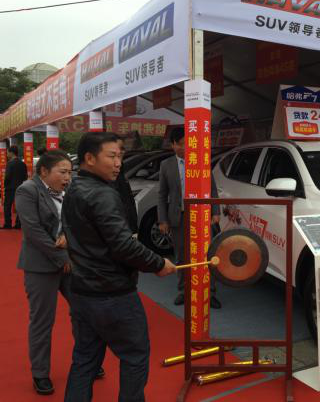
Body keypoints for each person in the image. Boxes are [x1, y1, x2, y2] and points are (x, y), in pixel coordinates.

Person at [62, 132, 176, 402]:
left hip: (82, 290)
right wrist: (159, 263)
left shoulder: (75, 187)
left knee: (84, 359)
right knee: (135, 356)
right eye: (111, 156)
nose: (118, 163)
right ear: (89, 158)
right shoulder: (102, 194)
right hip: (112, 293)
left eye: (120, 156)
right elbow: (123, 245)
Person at [15, 150, 72, 395]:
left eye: (70, 172)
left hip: (70, 263)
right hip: (41, 266)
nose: (67, 177)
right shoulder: (27, 190)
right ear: (44, 171)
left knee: (84, 311)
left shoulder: (68, 190)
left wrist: (68, 236)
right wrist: (61, 257)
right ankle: (40, 373)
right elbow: (33, 231)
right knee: (42, 321)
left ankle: (87, 360)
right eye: (63, 172)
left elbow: (75, 220)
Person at [157, 127, 221, 307]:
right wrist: (163, 219)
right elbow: (162, 195)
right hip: (179, 217)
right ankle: (183, 290)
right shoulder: (166, 165)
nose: (185, 147)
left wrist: (216, 211)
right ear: (173, 145)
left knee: (207, 254)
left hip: (201, 216)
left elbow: (212, 188)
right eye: (181, 144)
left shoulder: (201, 161)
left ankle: (210, 292)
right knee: (181, 255)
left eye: (188, 143)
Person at [112, 136, 138, 235]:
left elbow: (128, 201)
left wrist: (133, 228)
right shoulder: (107, 174)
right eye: (118, 148)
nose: (121, 151)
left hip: (127, 228)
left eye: (122, 148)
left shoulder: (120, 171)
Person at [3, 145, 28, 229]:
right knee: (20, 206)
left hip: (10, 188)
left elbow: (7, 176)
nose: (7, 154)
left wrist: (5, 185)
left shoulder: (10, 163)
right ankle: (18, 224)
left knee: (7, 206)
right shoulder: (23, 164)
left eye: (7, 152)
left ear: (11, 153)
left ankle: (8, 224)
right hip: (21, 187)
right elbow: (25, 177)